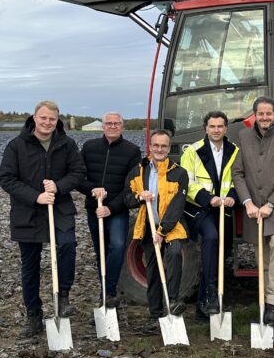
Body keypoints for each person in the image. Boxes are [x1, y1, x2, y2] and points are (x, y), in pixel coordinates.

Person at [0, 100, 84, 338]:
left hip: (60, 209)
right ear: (34, 118)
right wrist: (36, 197)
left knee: (67, 245)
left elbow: (77, 173)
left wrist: (58, 186)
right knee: (30, 266)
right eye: (44, 118)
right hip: (28, 212)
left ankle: (63, 296)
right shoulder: (16, 146)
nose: (47, 123)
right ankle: (33, 316)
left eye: (52, 119)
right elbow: (6, 178)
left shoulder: (66, 144)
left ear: (58, 121)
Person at [233, 97, 274, 326]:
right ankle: (265, 302)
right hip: (253, 207)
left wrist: (271, 204)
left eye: (268, 113)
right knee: (260, 253)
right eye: (260, 113)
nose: (264, 117)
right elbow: (238, 173)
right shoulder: (243, 137)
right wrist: (248, 202)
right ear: (255, 115)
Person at [124, 129, 189, 320]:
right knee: (152, 268)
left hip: (171, 227)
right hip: (148, 226)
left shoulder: (179, 173)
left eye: (164, 146)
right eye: (156, 145)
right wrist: (139, 197)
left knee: (175, 253)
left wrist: (162, 232)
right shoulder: (139, 171)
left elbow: (177, 207)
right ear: (150, 147)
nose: (159, 149)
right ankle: (155, 313)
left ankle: (174, 301)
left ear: (169, 148)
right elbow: (126, 198)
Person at [180, 110, 239, 321]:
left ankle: (204, 307)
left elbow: (237, 179)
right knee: (211, 238)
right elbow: (187, 181)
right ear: (206, 128)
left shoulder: (234, 151)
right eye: (212, 126)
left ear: (226, 128)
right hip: (200, 209)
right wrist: (208, 198)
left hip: (224, 210)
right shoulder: (193, 151)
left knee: (219, 254)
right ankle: (210, 292)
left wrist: (232, 195)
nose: (216, 130)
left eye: (220, 126)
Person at [79, 112, 141, 307]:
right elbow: (77, 177)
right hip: (94, 209)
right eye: (109, 123)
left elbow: (131, 187)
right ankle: (106, 294)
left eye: (116, 123)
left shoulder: (132, 151)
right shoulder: (89, 148)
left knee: (118, 245)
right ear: (103, 126)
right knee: (101, 252)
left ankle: (110, 291)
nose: (112, 126)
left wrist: (111, 208)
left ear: (122, 126)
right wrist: (91, 189)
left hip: (117, 210)